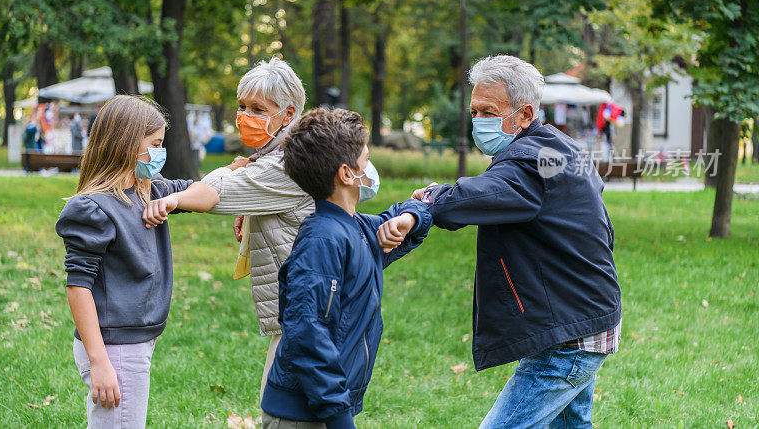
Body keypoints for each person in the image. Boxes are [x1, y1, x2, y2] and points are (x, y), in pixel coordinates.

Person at [413, 55, 621, 428]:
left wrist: (427, 201)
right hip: (584, 314)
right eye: (474, 111)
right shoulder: (555, 146)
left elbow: (480, 195)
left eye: (488, 111)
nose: (478, 121)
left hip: (568, 334)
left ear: (525, 115)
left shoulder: (527, 163)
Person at [261, 108, 432, 429]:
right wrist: (339, 417)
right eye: (366, 160)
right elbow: (307, 335)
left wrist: (409, 218)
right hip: (302, 414)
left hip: (325, 409)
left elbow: (415, 218)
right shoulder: (321, 242)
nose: (370, 167)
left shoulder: (359, 229)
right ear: (346, 173)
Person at [56, 95, 219, 428]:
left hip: (135, 342)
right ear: (125, 144)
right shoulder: (93, 208)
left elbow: (209, 194)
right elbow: (78, 287)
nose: (160, 152)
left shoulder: (152, 190)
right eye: (154, 144)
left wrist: (175, 199)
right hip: (114, 347)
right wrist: (100, 361)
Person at [200, 58, 315, 399]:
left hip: (311, 311)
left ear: (288, 114)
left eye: (258, 109)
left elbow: (211, 195)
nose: (245, 116)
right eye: (242, 106)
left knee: (282, 411)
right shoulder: (280, 154)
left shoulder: (285, 164)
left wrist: (236, 172)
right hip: (305, 307)